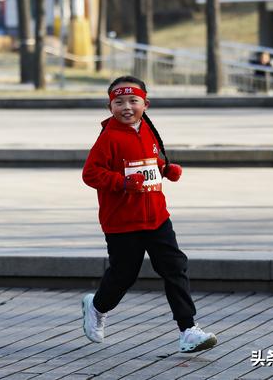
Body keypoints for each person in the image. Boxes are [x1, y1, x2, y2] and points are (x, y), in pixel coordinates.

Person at [81, 75, 217, 353]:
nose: (126, 107)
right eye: (119, 102)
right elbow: (90, 174)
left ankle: (188, 330)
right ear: (110, 107)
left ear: (146, 104)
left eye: (133, 101)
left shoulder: (148, 129)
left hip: (156, 217)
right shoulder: (109, 138)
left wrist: (166, 170)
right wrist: (121, 183)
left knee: (175, 267)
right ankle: (96, 306)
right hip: (122, 222)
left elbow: (151, 162)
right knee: (124, 275)